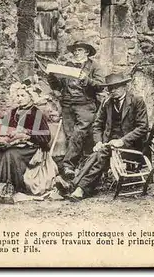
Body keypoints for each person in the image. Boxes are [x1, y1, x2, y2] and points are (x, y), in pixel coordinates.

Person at [57, 72, 149, 200]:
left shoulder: (137, 101)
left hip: (133, 147)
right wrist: (98, 142)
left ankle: (76, 187)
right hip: (110, 146)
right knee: (98, 153)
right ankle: (79, 188)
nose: (113, 91)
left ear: (124, 87)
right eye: (110, 88)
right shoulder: (107, 103)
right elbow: (97, 125)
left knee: (102, 153)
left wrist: (122, 141)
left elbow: (143, 127)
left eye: (116, 87)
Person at [39, 41, 105, 180]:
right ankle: (76, 170)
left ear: (87, 52)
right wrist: (50, 76)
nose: (76, 53)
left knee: (78, 133)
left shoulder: (94, 67)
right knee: (70, 136)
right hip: (68, 105)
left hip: (85, 105)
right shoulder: (68, 66)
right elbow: (58, 86)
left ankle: (68, 165)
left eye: (79, 50)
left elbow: (101, 86)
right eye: (74, 50)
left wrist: (86, 79)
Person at [0, 82, 51, 201]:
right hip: (14, 144)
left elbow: (45, 137)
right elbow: (4, 127)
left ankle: (11, 187)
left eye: (23, 96)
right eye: (18, 96)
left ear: (30, 96)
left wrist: (26, 133)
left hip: (32, 147)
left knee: (11, 154)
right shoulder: (14, 112)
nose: (19, 99)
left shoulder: (36, 113)